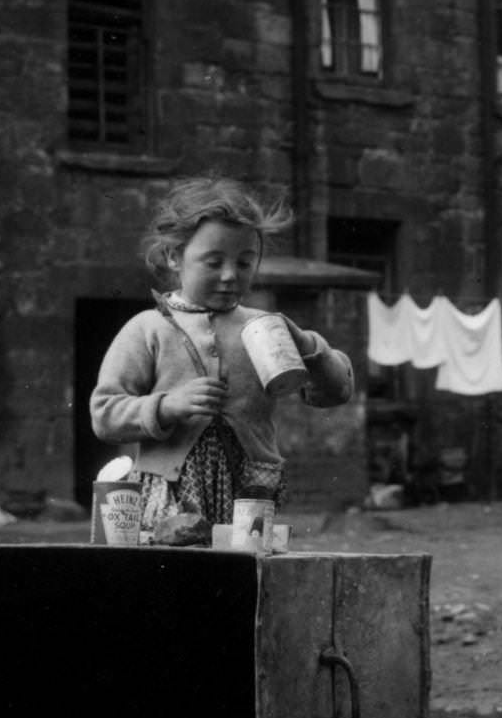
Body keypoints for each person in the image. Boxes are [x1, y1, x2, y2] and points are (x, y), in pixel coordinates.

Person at [89, 178, 354, 535]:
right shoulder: (148, 328)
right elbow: (104, 414)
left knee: (242, 579)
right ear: (173, 256)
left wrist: (309, 347)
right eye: (213, 262)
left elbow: (334, 392)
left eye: (245, 263)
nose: (230, 275)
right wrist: (165, 406)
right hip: (168, 490)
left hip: (250, 490)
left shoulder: (264, 329)